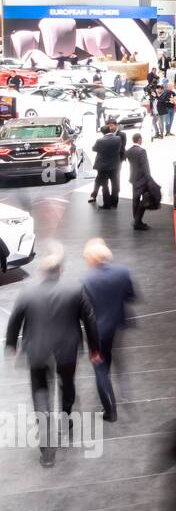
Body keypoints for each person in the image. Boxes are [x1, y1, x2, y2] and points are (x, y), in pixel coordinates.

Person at [4, 244, 101, 467]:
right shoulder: (75, 289)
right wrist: (95, 350)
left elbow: (15, 320)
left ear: (42, 271)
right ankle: (66, 420)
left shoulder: (28, 291)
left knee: (41, 396)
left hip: (37, 351)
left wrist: (11, 344)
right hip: (66, 350)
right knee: (67, 385)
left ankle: (48, 452)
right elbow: (90, 320)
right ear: (61, 270)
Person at [81, 238, 135, 423]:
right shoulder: (123, 272)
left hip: (97, 330)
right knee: (110, 355)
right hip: (117, 325)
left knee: (100, 367)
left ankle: (110, 411)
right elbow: (131, 296)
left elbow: (84, 311)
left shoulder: (87, 280)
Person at [89, 124, 125, 209]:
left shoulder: (100, 141)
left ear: (102, 132)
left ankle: (107, 204)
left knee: (105, 185)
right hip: (115, 166)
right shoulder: (118, 139)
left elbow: (94, 149)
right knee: (115, 185)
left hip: (103, 167)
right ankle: (114, 203)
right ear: (109, 130)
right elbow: (120, 149)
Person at [125, 132, 153, 230]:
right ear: (140, 139)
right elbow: (146, 167)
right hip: (142, 180)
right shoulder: (142, 151)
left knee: (135, 200)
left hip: (133, 179)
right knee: (145, 200)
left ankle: (137, 221)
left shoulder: (128, 151)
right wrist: (149, 179)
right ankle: (137, 221)